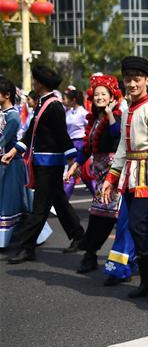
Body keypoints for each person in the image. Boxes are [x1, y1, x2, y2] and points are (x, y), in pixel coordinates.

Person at [98, 56, 148, 302]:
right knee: (134, 227)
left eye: (136, 79)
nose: (131, 84)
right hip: (129, 173)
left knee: (141, 227)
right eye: (128, 79)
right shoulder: (128, 108)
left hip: (147, 174)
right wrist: (111, 177)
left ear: (147, 80)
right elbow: (122, 146)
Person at [3, 66, 85, 262]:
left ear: (40, 84)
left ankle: (27, 247)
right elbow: (31, 132)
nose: (33, 83)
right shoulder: (43, 103)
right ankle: (79, 235)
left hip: (50, 164)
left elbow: (62, 136)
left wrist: (73, 161)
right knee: (59, 201)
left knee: (40, 208)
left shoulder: (54, 105)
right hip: (41, 162)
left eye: (35, 81)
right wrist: (14, 151)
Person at [68, 74, 123, 274]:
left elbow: (116, 133)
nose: (99, 97)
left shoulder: (114, 116)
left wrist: (109, 113)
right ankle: (90, 254)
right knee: (99, 214)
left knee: (114, 216)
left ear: (111, 97)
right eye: (97, 94)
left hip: (114, 173)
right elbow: (87, 148)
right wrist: (74, 167)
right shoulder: (94, 120)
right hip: (100, 174)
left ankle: (146, 256)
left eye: (104, 94)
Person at [0, 76, 29, 248]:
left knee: (11, 202)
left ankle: (15, 237)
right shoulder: (4, 114)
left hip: (11, 164)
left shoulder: (13, 116)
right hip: (4, 163)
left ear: (7, 95)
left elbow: (4, 141)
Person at [63, 87, 88, 199]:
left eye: (67, 99)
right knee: (76, 173)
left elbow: (89, 128)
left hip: (81, 144)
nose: (64, 101)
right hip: (70, 145)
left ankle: (63, 200)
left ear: (73, 100)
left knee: (79, 173)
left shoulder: (84, 113)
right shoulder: (69, 112)